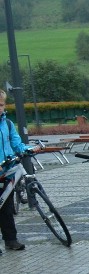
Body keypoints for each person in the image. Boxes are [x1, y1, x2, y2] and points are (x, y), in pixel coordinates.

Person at [0, 89, 29, 254]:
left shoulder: (8, 124)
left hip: (7, 170)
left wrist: (29, 149)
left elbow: (17, 144)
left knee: (7, 207)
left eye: (1, 105)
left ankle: (11, 240)